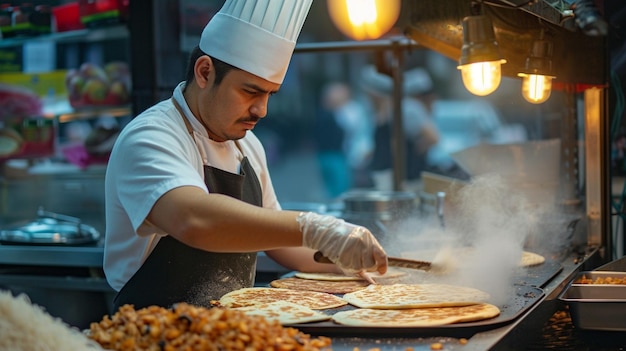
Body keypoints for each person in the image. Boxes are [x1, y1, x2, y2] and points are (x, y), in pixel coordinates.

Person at [103, 0, 387, 311]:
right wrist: (314, 227)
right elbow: (192, 219)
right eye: (250, 92)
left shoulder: (247, 145)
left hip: (232, 329)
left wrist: (345, 260)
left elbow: (277, 240)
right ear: (205, 72)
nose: (261, 110)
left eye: (269, 95)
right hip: (154, 331)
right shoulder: (150, 137)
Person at [362, 65, 439, 190]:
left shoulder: (407, 108)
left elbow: (433, 138)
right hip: (388, 175)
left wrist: (410, 155)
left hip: (406, 178)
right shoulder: (385, 110)